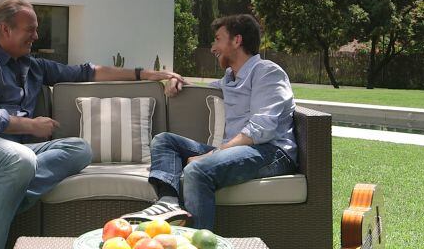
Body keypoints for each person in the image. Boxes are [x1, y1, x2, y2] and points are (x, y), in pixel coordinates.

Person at [0, 0, 185, 249]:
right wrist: (31, 125)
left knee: (80, 149)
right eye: (30, 29)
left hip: (13, 153)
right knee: (20, 160)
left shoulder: (33, 66)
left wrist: (146, 75)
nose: (36, 36)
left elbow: (87, 72)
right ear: (5, 29)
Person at [121, 14, 298, 231]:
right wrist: (177, 81)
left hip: (272, 152)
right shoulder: (230, 78)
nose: (213, 47)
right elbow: (200, 88)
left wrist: (212, 155)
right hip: (240, 150)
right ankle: (168, 202)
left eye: (217, 39)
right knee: (164, 141)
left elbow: (261, 129)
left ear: (237, 40)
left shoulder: (267, 72)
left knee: (198, 170)